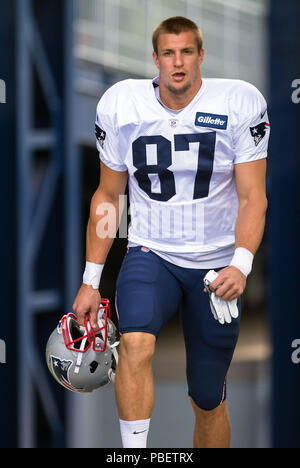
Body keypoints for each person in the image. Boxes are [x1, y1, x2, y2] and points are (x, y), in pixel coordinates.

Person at [72, 16, 269, 449]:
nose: (177, 63)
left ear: (201, 56)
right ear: (155, 59)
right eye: (168, 53)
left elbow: (254, 197)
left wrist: (241, 264)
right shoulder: (122, 105)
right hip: (152, 252)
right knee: (136, 344)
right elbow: (109, 196)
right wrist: (90, 281)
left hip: (216, 265)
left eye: (186, 52)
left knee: (207, 397)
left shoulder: (240, 102)